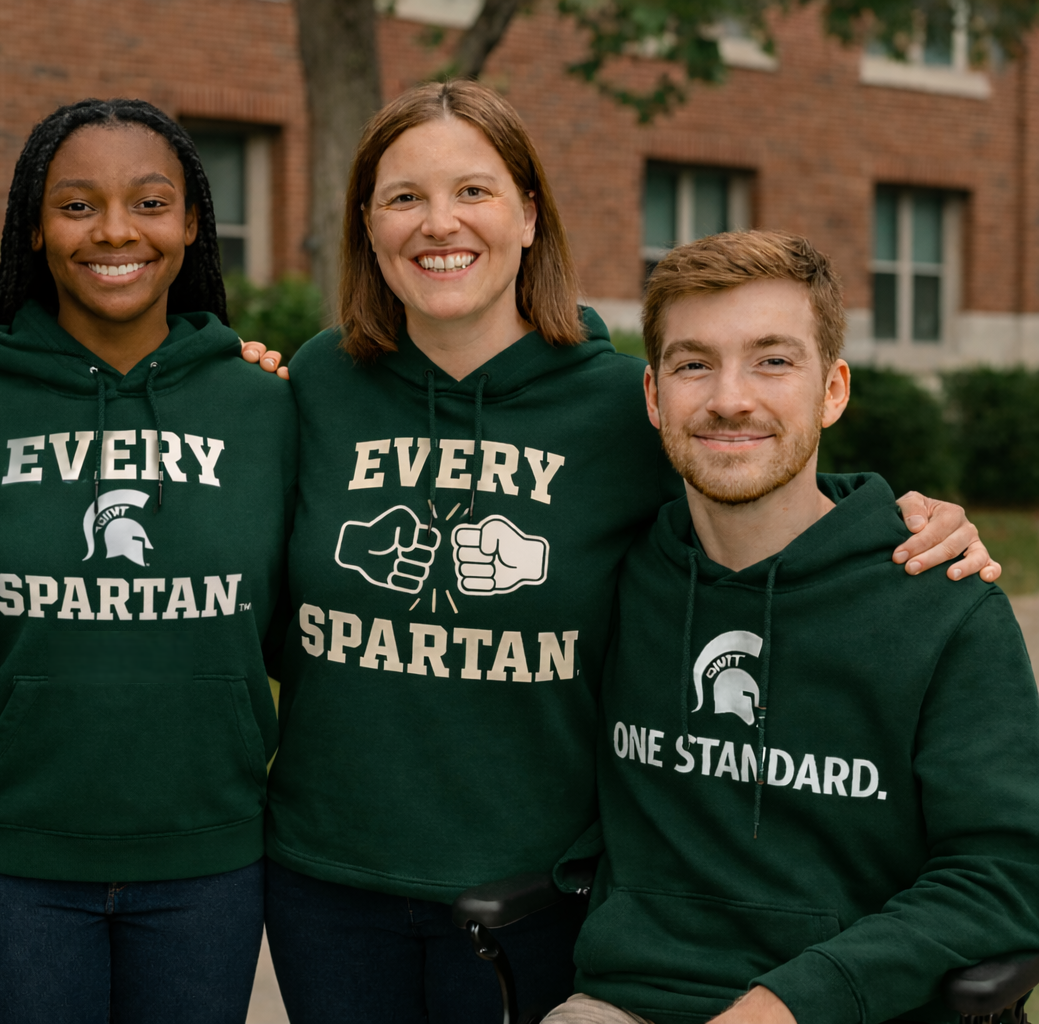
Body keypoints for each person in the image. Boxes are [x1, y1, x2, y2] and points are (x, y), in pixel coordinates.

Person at [246, 80, 999, 1024]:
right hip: (324, 878)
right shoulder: (314, 381)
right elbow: (250, 584)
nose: (440, 222)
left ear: (528, 213)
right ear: (366, 222)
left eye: (474, 190)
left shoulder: (620, 406)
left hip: (540, 893)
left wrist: (910, 519)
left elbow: (754, 475)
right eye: (404, 197)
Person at [540, 229, 1039, 1024]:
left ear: (833, 390)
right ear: (652, 395)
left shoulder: (941, 601)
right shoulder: (617, 581)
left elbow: (1008, 870)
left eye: (772, 360)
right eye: (693, 363)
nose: (730, 397)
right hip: (625, 1003)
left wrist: (789, 1004)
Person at [0, 98, 295, 1023]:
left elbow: (307, 629)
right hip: (14, 866)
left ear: (193, 221)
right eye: (78, 205)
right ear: (35, 230)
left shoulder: (270, 409)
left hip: (209, 864)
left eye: (150, 202)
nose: (117, 231)